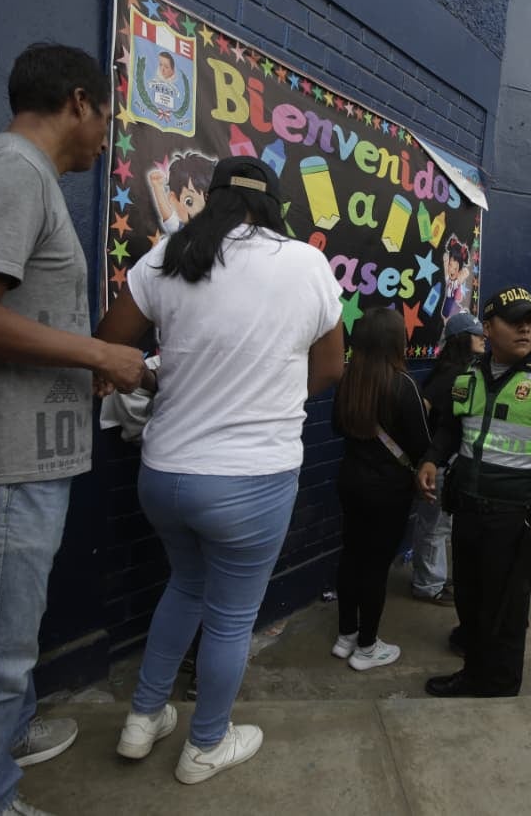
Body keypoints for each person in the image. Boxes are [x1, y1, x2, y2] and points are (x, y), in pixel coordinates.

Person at [0, 43, 147, 816]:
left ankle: (11, 731)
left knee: (1, 638)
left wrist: (75, 360)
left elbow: (12, 316)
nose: (107, 134)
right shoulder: (15, 171)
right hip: (4, 467)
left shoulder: (23, 175)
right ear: (79, 102)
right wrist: (100, 351)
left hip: (20, 459)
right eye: (107, 115)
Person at [96, 156, 343, 781]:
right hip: (251, 481)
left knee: (184, 586)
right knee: (232, 619)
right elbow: (330, 372)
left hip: (164, 474)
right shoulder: (305, 264)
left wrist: (161, 373)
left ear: (214, 197)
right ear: (275, 205)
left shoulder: (169, 255)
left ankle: (142, 717)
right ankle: (206, 742)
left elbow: (111, 343)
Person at [418, 286, 531, 697]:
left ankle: (498, 689)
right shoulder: (470, 374)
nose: (526, 329)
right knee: (472, 602)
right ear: (489, 328)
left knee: (507, 612)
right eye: (515, 322)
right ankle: (474, 674)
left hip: (514, 517)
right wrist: (431, 458)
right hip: (469, 509)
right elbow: (452, 428)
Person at [331, 308, 430, 669]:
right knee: (375, 565)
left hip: (350, 480)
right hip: (389, 490)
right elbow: (423, 444)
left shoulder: (347, 379)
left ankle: (346, 636)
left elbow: (336, 427)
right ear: (394, 341)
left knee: (351, 555)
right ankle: (368, 648)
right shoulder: (403, 385)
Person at [409, 311, 485, 606]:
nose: (483, 338)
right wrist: (428, 454)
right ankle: (428, 585)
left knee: (440, 525)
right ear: (461, 339)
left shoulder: (459, 370)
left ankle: (433, 578)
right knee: (434, 526)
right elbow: (423, 411)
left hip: (447, 461)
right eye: (476, 334)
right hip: (438, 463)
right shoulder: (452, 373)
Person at [149, 149, 214, 235]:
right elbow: (169, 219)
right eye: (189, 201)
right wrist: (158, 189)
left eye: (207, 199)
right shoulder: (184, 231)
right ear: (174, 200)